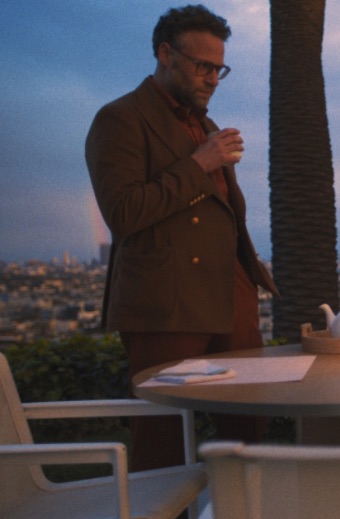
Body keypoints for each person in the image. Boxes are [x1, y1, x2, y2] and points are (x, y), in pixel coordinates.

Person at [85, 4, 279, 472]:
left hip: (229, 295)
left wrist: (248, 277)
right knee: (163, 441)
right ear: (165, 54)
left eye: (220, 69)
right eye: (202, 66)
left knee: (247, 434)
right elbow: (124, 212)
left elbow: (223, 215)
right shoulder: (120, 119)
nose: (213, 78)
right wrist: (201, 163)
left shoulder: (206, 126)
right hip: (165, 303)